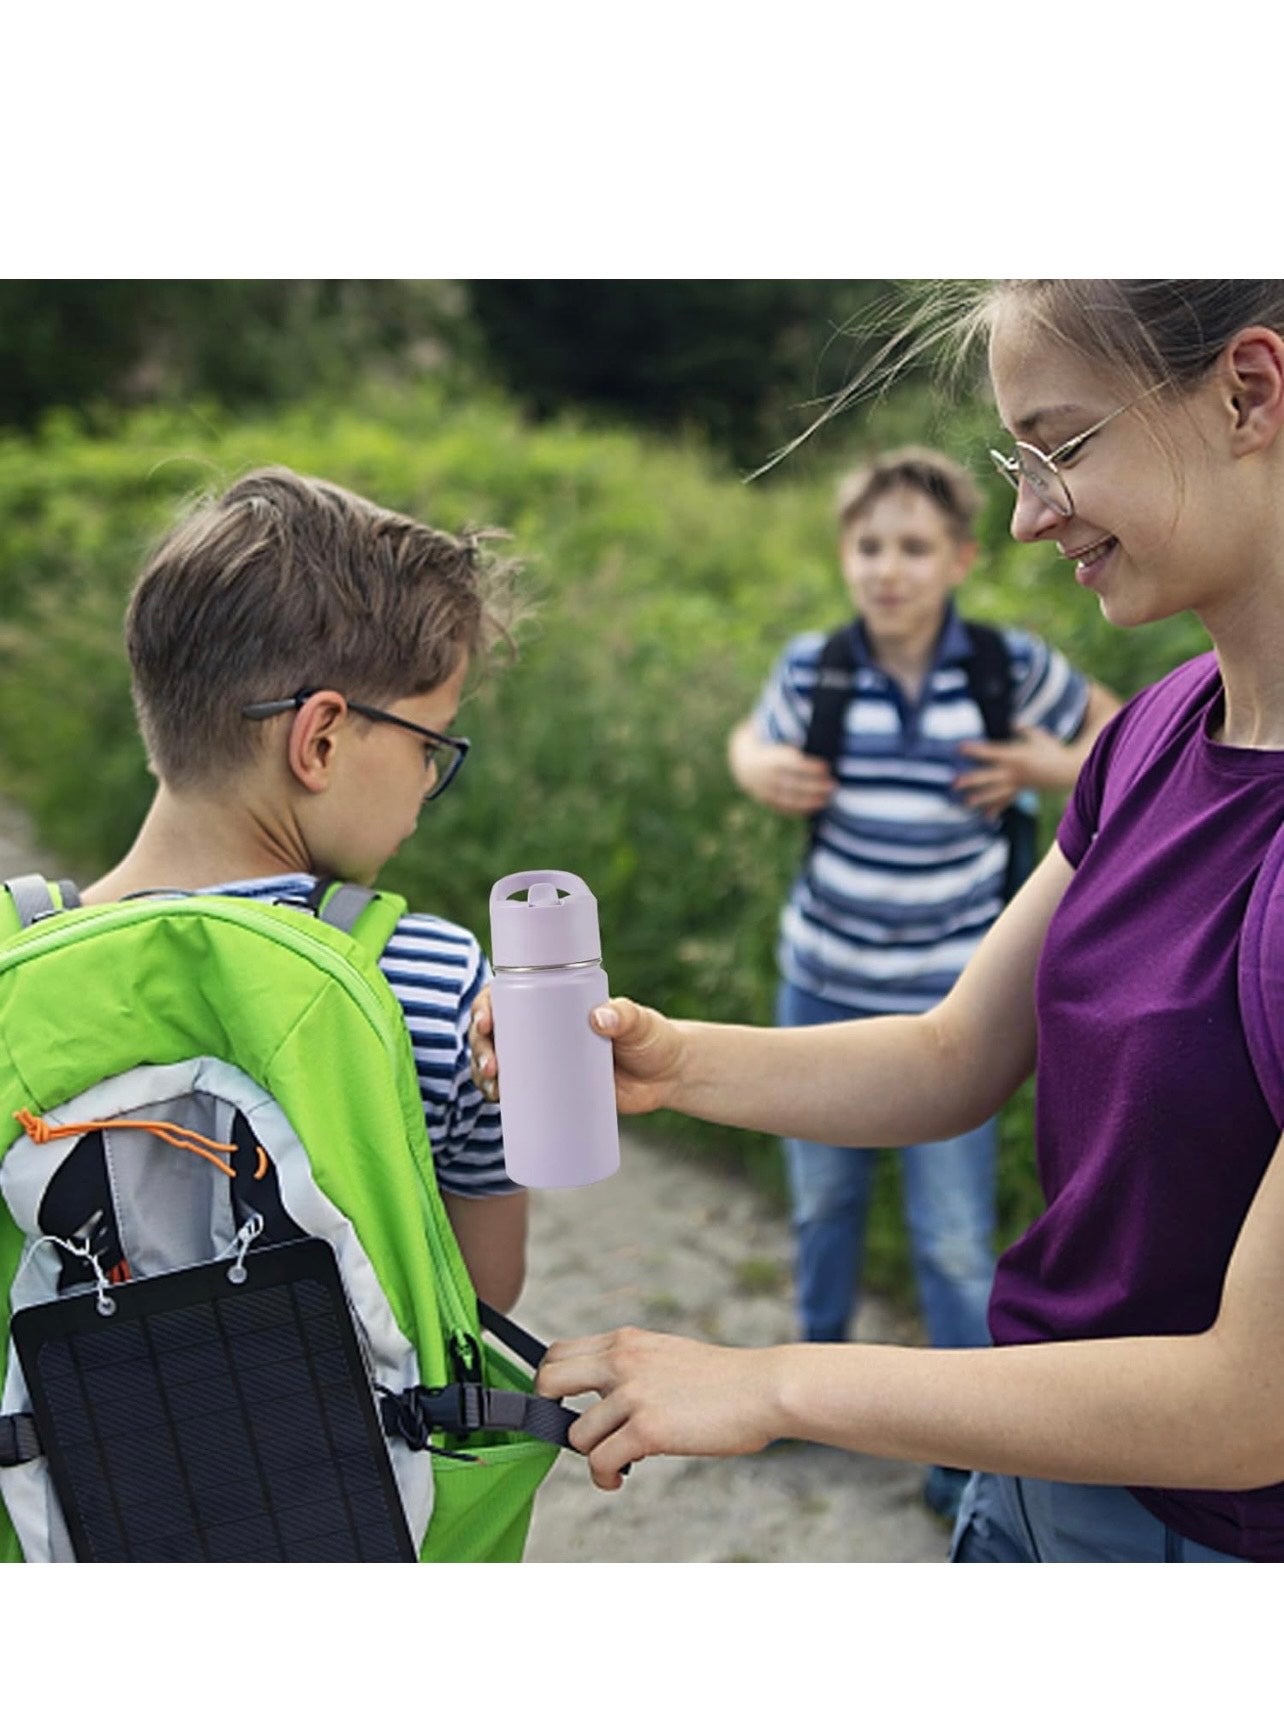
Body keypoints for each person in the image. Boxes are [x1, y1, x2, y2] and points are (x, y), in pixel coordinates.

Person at [472, 281, 1284, 1562]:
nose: (1028, 516)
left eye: (1063, 447)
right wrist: (671, 1062)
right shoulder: (1157, 733)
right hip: (1034, 1482)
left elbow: (1247, 1405)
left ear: (1249, 393)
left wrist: (775, 1381)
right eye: (1017, 464)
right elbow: (951, 1054)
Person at [726, 446, 1119, 1522]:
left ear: (958, 559)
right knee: (824, 1200)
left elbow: (1121, 736)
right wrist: (758, 766)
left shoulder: (1005, 667)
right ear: (844, 556)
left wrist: (1041, 766)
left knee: (950, 1234)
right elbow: (751, 739)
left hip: (955, 1005)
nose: (887, 568)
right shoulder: (817, 669)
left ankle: (961, 1453)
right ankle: (809, 1384)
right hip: (822, 982)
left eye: (912, 547)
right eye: (869, 546)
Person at [82, 465, 529, 1312]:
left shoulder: (16, 961)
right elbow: (484, 1293)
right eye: (428, 744)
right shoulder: (439, 988)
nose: (425, 779)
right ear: (320, 739)